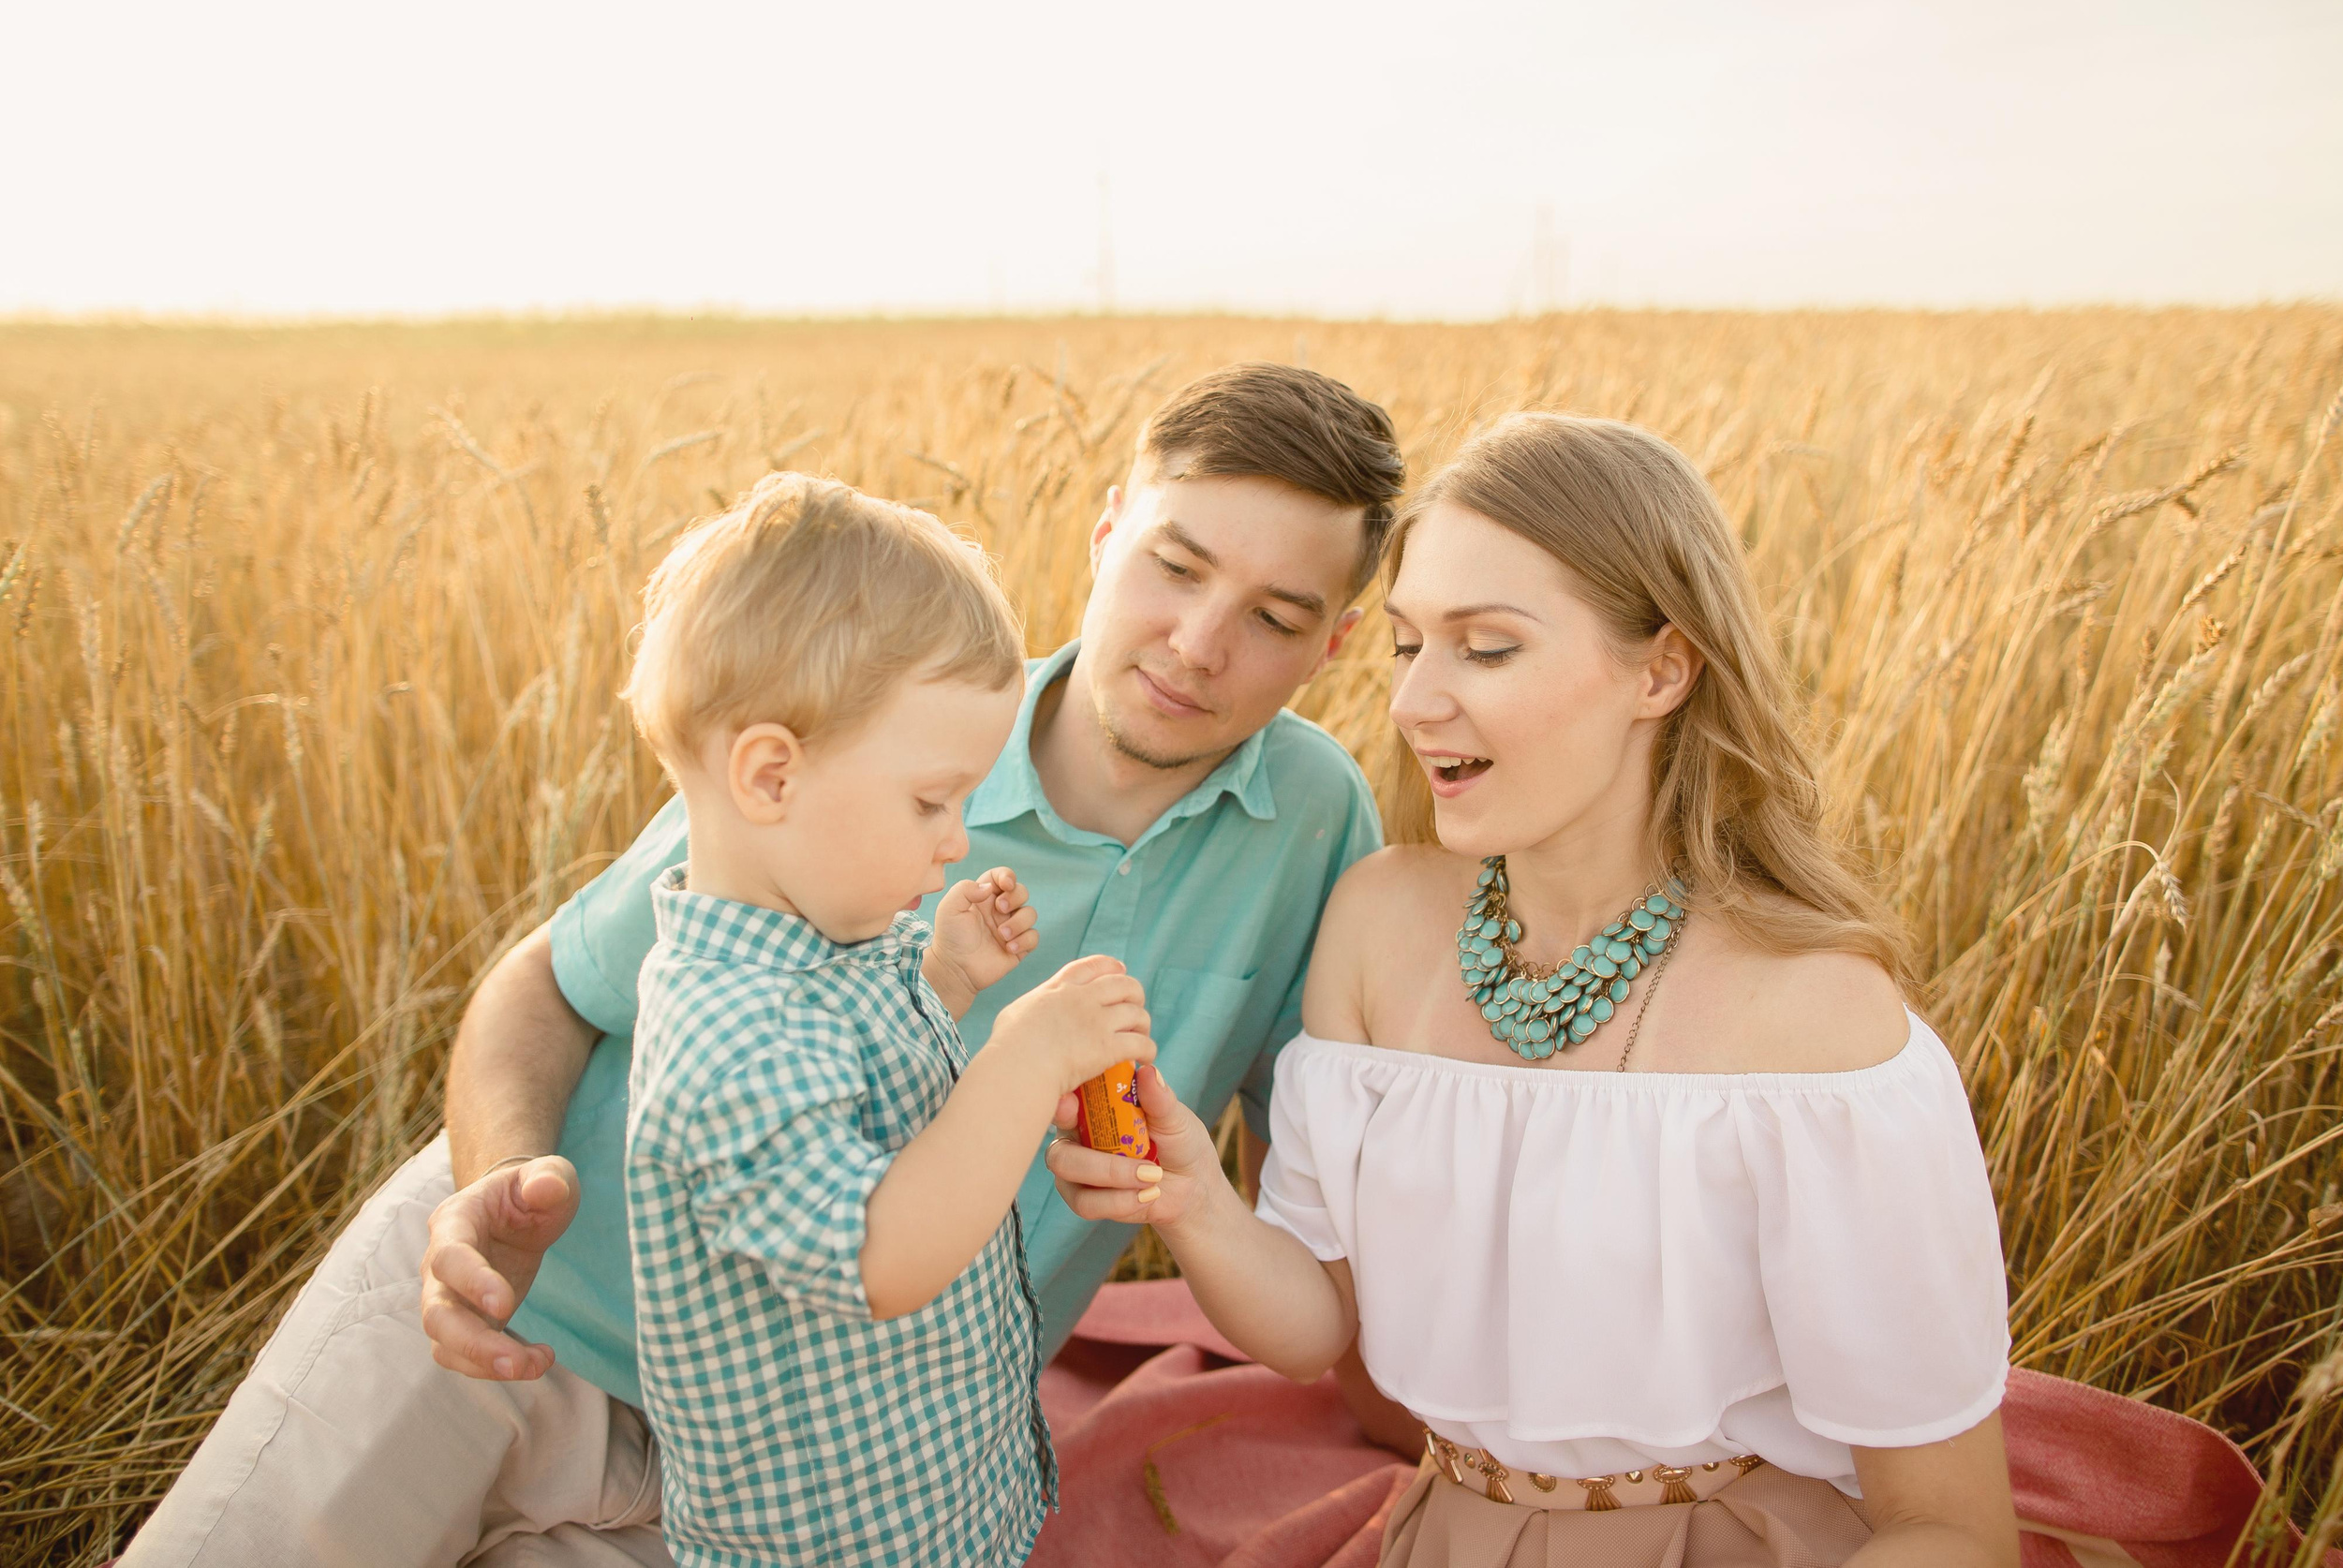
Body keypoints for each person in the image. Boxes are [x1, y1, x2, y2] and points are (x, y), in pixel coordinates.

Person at [121, 363, 1405, 1568]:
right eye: (1173, 567)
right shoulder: (883, 722)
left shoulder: (1314, 823)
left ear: (1335, 644)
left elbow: (1310, 1209)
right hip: (519, 1326)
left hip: (808, 1476)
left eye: (1274, 617)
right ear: (1106, 529)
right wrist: (502, 1187)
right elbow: (552, 982)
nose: (1196, 640)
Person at [1048, 414, 2021, 1567]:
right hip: (1443, 1533)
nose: (1411, 705)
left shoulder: (1819, 1025)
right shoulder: (1377, 924)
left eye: (1487, 648)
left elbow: (1951, 1531)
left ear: (1661, 670)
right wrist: (1191, 1196)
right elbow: (1316, 1327)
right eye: (1408, 646)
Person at [615, 476, 1157, 1566]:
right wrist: (1030, 1052)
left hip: (934, 1500)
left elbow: (863, 1095)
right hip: (834, 1542)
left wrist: (951, 977)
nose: (955, 839)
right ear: (771, 775)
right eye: (929, 802)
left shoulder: (836, 943)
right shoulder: (726, 1032)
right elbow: (880, 1254)